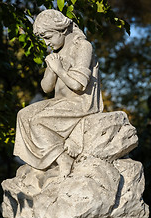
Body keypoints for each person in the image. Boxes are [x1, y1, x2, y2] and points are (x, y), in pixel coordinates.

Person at [13, 9, 103, 177]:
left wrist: (59, 70)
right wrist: (52, 69)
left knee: (38, 121)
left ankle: (62, 159)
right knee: (23, 115)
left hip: (80, 103)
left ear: (62, 30)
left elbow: (78, 85)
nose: (46, 42)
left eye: (48, 37)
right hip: (59, 102)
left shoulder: (82, 46)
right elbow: (46, 88)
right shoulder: (56, 53)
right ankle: (40, 163)